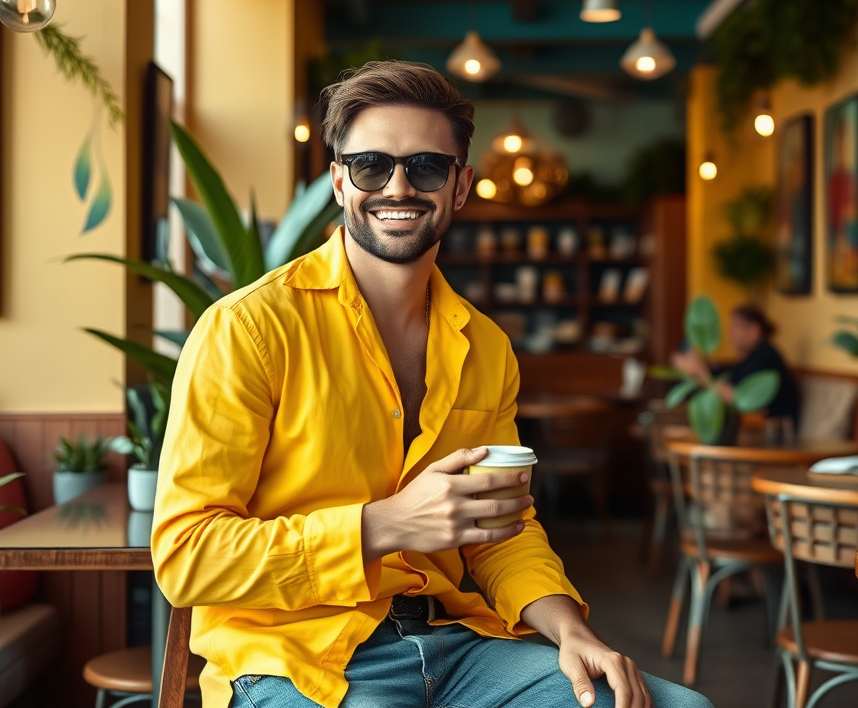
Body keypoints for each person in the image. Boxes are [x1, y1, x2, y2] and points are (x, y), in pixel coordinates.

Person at [152, 61, 713, 708]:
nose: (398, 186)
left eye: (425, 167)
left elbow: (501, 525)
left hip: (452, 646)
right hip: (295, 654)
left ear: (461, 185)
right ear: (339, 182)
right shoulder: (247, 329)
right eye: (370, 166)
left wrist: (570, 630)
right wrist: (380, 527)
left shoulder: (487, 348)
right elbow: (186, 555)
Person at [672, 304, 800, 429]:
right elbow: (727, 377)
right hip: (753, 429)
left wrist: (699, 372)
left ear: (754, 330)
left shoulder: (765, 357)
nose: (730, 334)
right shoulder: (752, 357)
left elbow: (738, 398)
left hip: (771, 433)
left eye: (735, 326)